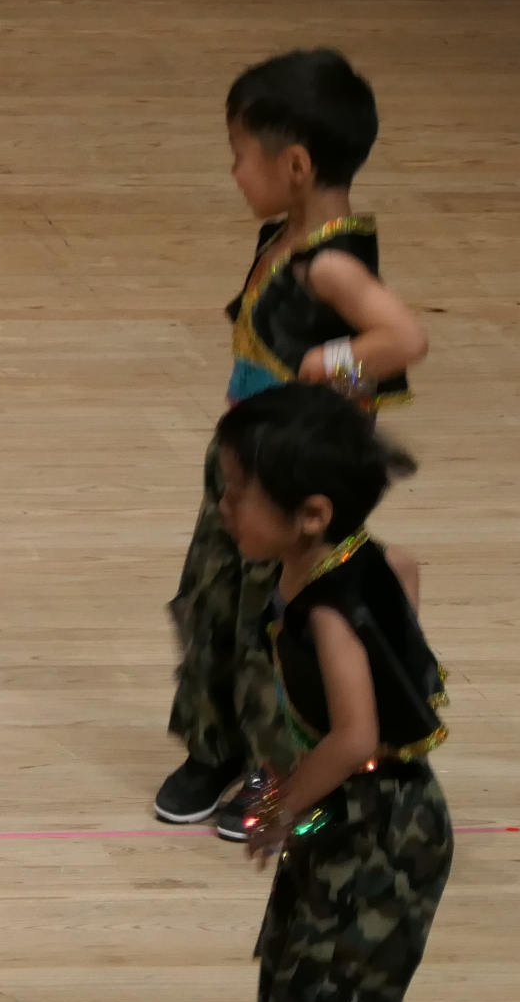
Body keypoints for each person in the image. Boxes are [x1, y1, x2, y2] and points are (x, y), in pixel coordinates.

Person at [179, 385, 450, 1002]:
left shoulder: (328, 607)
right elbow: (402, 566)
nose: (224, 508)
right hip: (352, 814)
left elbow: (356, 738)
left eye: (238, 494)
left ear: (312, 514)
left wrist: (283, 805)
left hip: (382, 825)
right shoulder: (354, 561)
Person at [155, 48, 429, 834]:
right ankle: (214, 745)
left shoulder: (331, 264)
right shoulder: (282, 238)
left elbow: (404, 338)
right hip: (241, 461)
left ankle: (279, 771)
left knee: (271, 624)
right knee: (210, 599)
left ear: (297, 165)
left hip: (285, 478)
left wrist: (327, 364)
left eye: (241, 155)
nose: (235, 172)